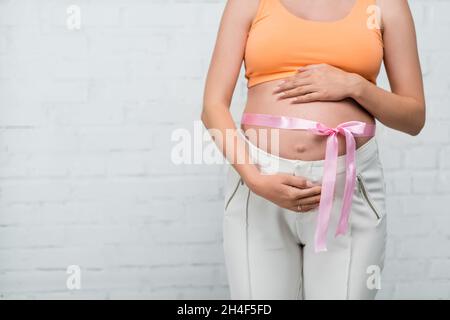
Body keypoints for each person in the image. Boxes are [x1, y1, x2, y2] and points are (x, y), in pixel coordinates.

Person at [201, 0, 425, 299]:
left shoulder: (386, 5)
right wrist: (254, 180)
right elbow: (212, 106)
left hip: (349, 187)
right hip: (260, 184)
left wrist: (355, 85)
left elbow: (413, 118)